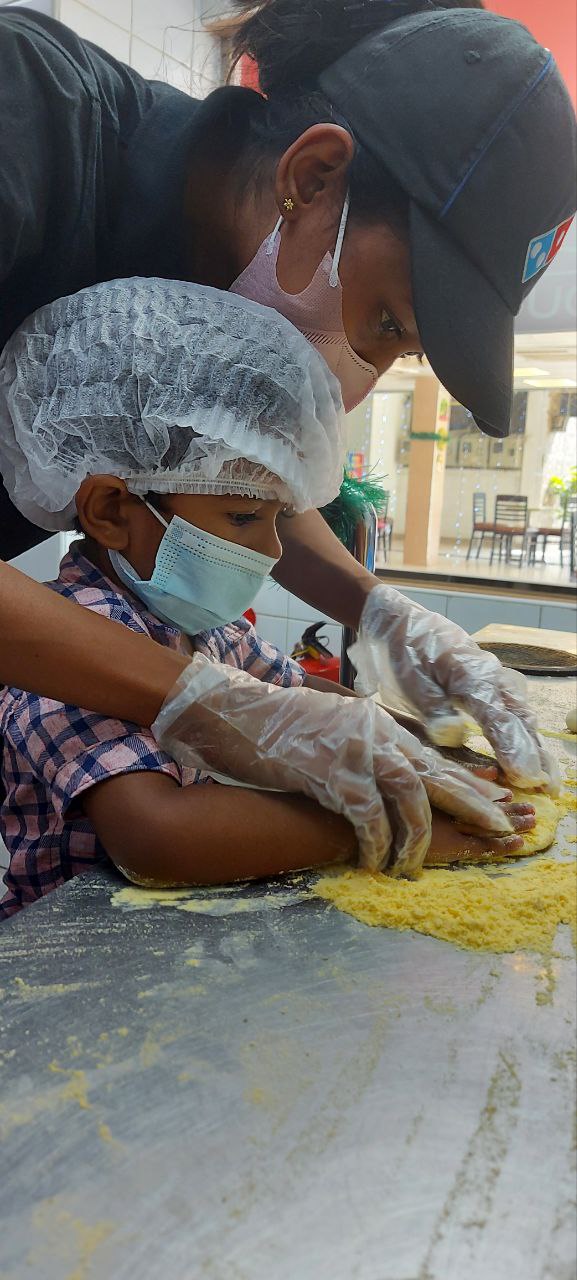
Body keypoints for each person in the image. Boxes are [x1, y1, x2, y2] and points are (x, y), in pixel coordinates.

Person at [1, 2, 574, 795]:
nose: (350, 389)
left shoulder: (215, 302)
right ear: (311, 178)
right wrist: (219, 708)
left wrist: (385, 616)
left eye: (397, 352)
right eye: (381, 321)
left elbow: (228, 485)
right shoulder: (24, 119)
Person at [0, 279, 533, 919]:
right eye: (246, 517)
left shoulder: (206, 626)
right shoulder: (65, 647)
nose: (276, 552)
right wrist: (381, 826)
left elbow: (306, 705)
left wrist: (427, 756)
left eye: (280, 519)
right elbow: (158, 837)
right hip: (72, 963)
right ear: (114, 510)